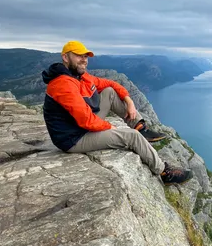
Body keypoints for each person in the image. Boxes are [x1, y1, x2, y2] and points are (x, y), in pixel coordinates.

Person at [42, 40, 193, 185]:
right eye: (79, 56)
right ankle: (164, 172)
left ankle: (141, 127)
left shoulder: (80, 76)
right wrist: (111, 128)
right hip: (73, 138)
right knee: (131, 136)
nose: (84, 60)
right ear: (65, 57)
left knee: (109, 92)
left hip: (80, 126)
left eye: (86, 56)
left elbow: (111, 84)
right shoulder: (63, 84)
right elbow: (86, 120)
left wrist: (129, 101)